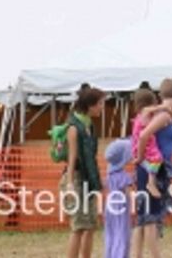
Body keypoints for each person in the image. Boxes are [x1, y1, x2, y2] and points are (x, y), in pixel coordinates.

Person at [133, 78, 172, 258]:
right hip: (152, 168)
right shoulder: (163, 115)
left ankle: (136, 255)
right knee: (151, 218)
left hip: (151, 167)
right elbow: (145, 134)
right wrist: (139, 157)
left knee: (143, 217)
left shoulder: (163, 112)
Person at [61, 85, 106, 258]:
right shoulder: (73, 127)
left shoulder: (90, 126)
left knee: (90, 226)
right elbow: (72, 159)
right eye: (100, 104)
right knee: (79, 227)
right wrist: (70, 184)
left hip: (89, 179)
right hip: (77, 179)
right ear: (91, 105)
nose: (102, 107)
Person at [103, 138, 134, 258]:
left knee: (111, 232)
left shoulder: (109, 175)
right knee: (122, 233)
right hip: (121, 208)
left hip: (110, 207)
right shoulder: (124, 177)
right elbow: (128, 193)